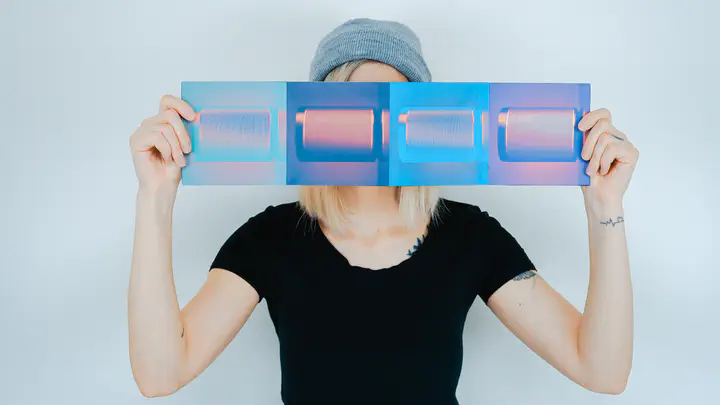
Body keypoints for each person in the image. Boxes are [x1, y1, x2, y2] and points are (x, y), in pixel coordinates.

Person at [127, 18, 639, 405]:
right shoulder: (271, 238)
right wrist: (154, 197)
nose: (372, 128)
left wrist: (606, 208)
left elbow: (601, 371)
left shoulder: (470, 236)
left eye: (394, 106)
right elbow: (160, 374)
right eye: (349, 105)